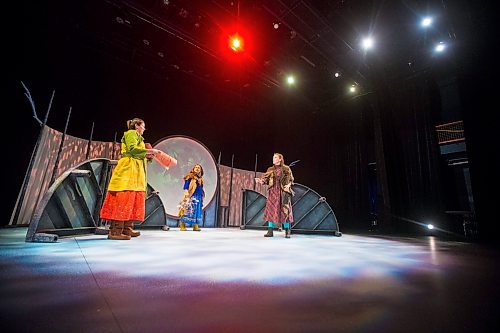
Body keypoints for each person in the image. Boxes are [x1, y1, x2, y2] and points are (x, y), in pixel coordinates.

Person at [99, 118, 161, 240]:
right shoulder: (131, 133)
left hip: (137, 172)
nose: (144, 129)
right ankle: (115, 231)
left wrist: (148, 155)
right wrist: (149, 150)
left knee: (132, 199)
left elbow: (139, 153)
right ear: (137, 126)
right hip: (129, 169)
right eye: (143, 126)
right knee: (123, 198)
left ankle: (127, 229)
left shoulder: (140, 138)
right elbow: (132, 149)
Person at [255, 153, 294, 238]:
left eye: (275, 157)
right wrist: (260, 181)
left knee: (285, 211)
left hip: (283, 192)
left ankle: (287, 231)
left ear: (280, 159)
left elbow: (291, 179)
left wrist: (288, 185)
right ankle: (270, 231)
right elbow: (265, 180)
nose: (273, 159)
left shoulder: (286, 168)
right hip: (273, 192)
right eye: (273, 157)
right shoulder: (270, 169)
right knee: (271, 210)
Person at [178, 164, 205, 231]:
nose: (197, 168)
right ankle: (182, 225)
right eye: (196, 167)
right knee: (187, 210)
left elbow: (201, 188)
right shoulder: (190, 176)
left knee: (197, 212)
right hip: (191, 196)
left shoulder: (200, 179)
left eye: (199, 167)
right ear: (193, 169)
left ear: (201, 170)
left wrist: (202, 196)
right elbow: (186, 185)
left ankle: (195, 226)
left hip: (198, 197)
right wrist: (186, 192)